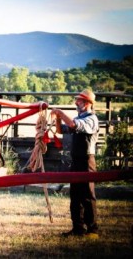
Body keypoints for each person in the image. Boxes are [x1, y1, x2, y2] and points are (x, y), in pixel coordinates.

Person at [51, 89, 99, 239]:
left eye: (79, 100)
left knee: (87, 196)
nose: (76, 102)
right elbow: (60, 130)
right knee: (75, 196)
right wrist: (58, 118)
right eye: (77, 100)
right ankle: (78, 228)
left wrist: (60, 112)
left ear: (87, 103)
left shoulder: (91, 119)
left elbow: (72, 125)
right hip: (77, 161)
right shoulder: (79, 118)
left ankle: (92, 230)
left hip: (87, 161)